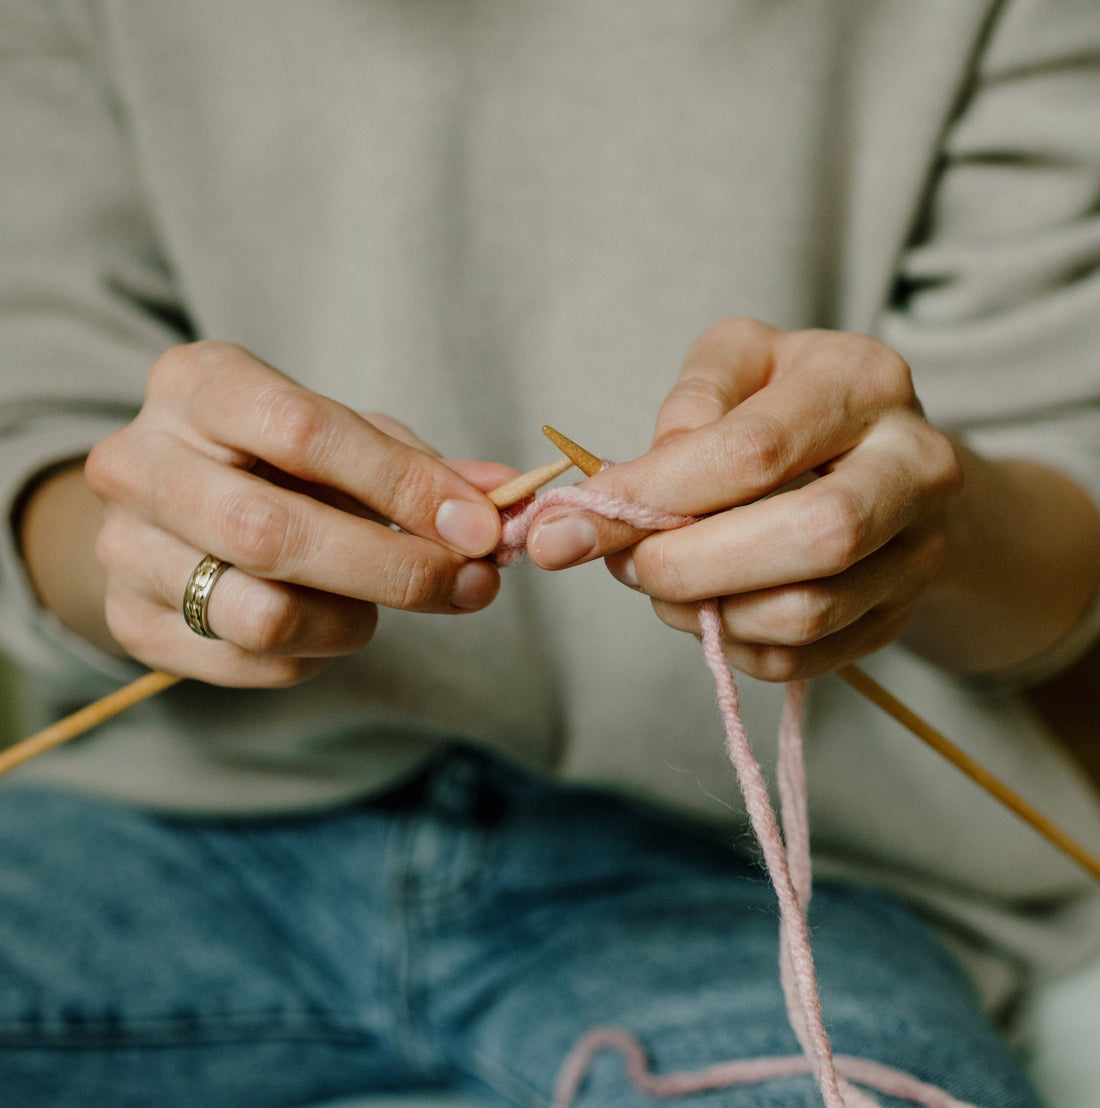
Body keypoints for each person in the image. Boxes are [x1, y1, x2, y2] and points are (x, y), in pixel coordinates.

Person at [1, 2, 1098, 1105]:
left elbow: (1063, 513)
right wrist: (166, 556)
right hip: (177, 827)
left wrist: (917, 532)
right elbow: (39, 435)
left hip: (755, 887)